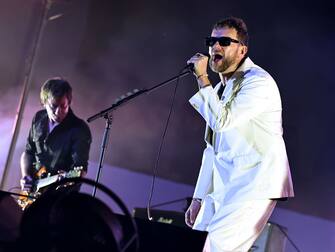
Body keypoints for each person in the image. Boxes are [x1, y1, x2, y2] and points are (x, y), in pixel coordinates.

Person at [185, 17, 294, 252]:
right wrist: (198, 198)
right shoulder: (219, 89)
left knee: (216, 248)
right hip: (226, 181)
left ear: (242, 49)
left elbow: (223, 121)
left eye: (224, 41)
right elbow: (211, 148)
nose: (215, 47)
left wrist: (202, 78)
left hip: (254, 183)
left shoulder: (258, 83)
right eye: (212, 41)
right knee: (197, 244)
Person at [20, 77, 92, 198]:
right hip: (32, 193)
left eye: (63, 106)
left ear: (69, 103)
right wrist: (26, 176)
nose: (58, 112)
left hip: (59, 198)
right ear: (44, 102)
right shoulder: (38, 118)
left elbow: (80, 170)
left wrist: (65, 179)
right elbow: (28, 152)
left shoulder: (79, 129)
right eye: (53, 106)